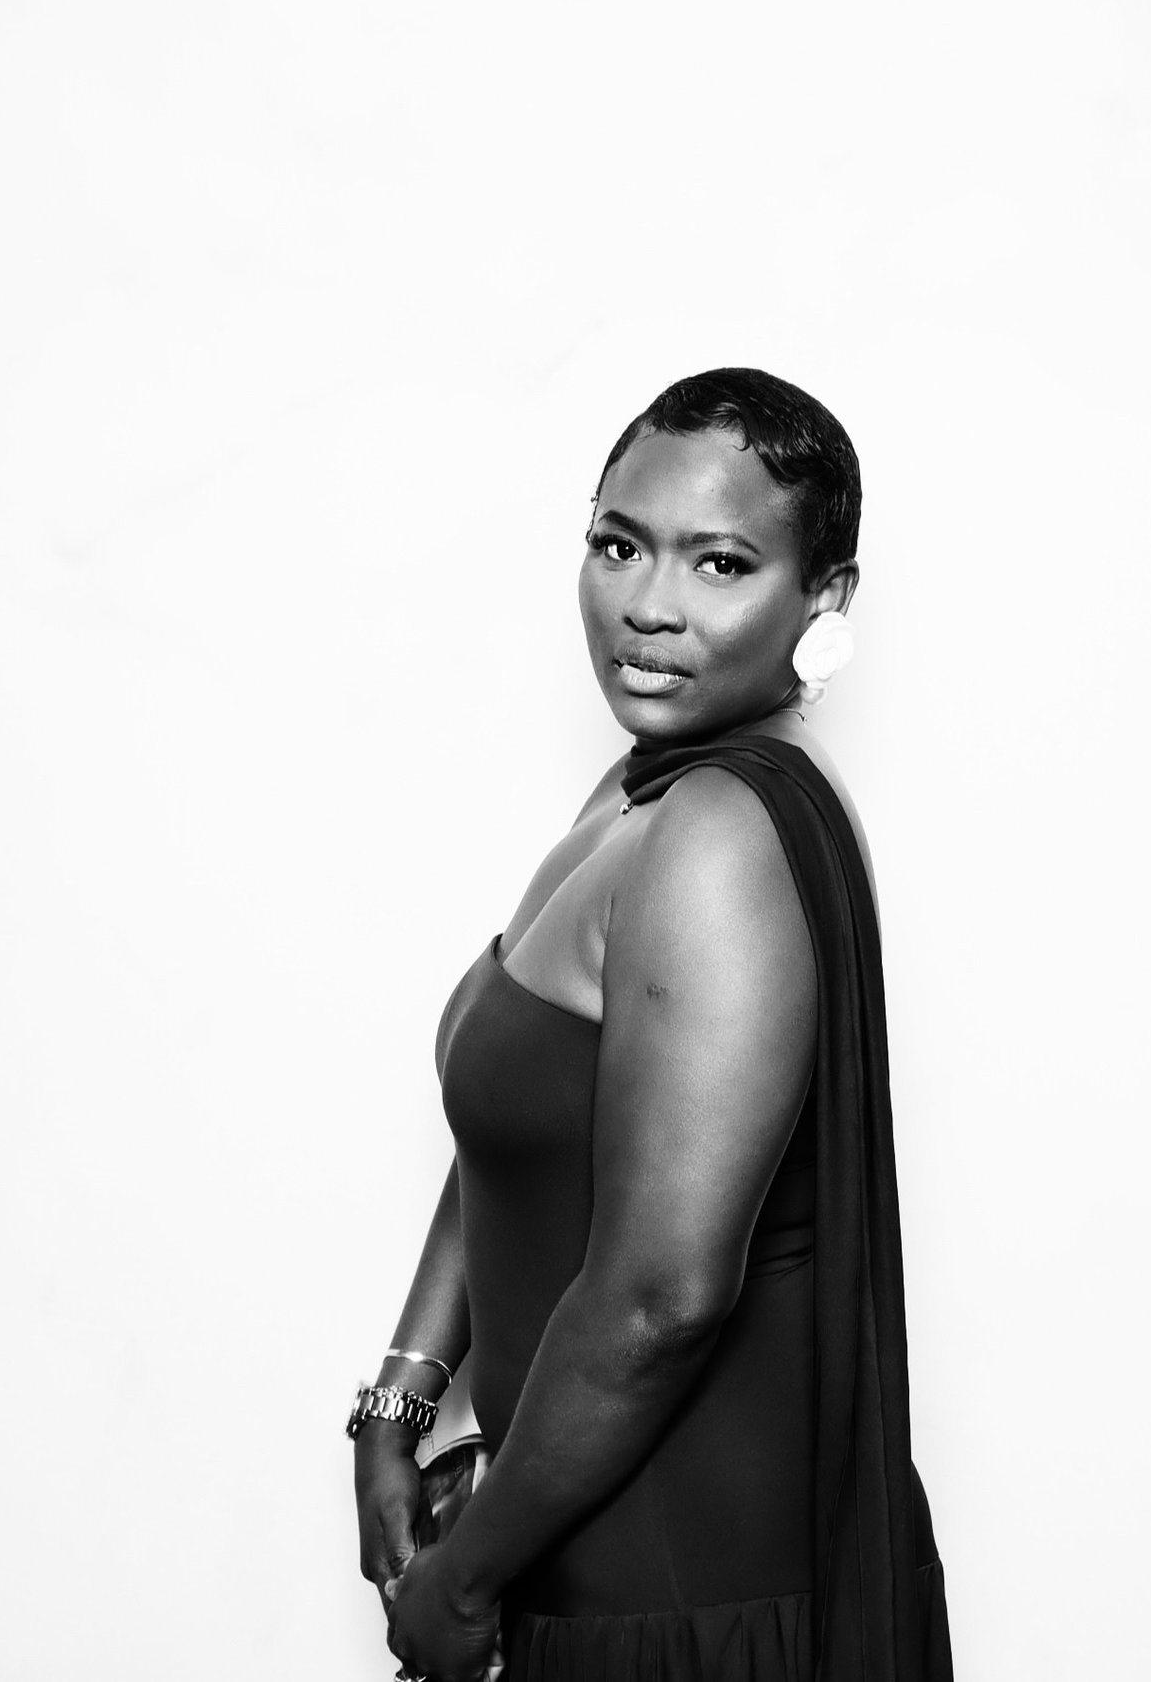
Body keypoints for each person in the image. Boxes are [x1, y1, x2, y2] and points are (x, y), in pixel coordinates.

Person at [351, 369, 952, 1681]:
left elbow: (661, 1298)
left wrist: (461, 1579)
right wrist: (400, 1394)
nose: (648, 606)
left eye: (720, 563)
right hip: (595, 1559)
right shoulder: (638, 794)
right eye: (618, 544)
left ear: (824, 600)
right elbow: (513, 1127)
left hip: (691, 1602)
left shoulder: (717, 841)